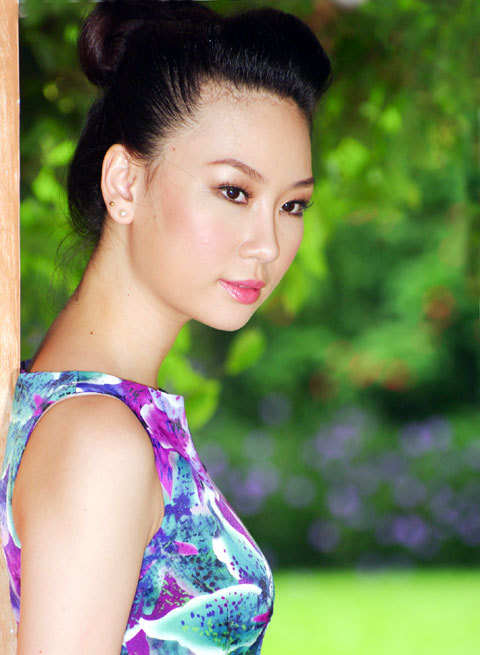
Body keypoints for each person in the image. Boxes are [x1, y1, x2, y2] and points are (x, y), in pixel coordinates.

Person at [0, 1, 331, 653]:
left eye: (292, 204)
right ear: (124, 183)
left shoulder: (95, 413)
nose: (268, 244)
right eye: (234, 191)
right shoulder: (99, 440)